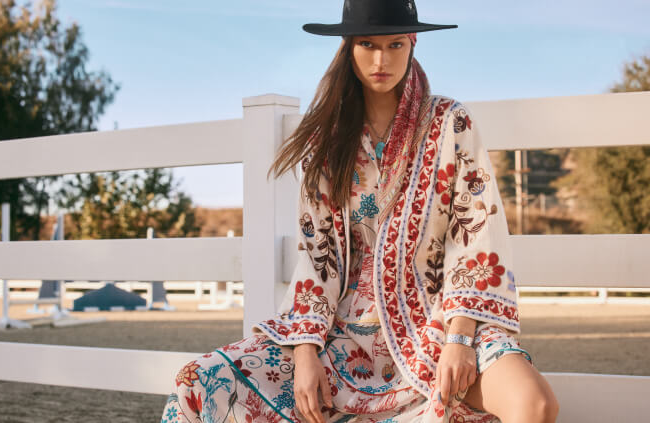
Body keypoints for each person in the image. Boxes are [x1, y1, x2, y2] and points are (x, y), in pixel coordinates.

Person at [160, 1, 559, 422]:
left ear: (413, 44)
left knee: (534, 402)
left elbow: (476, 238)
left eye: (395, 44)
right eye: (367, 44)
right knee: (197, 380)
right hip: (344, 338)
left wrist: (459, 339)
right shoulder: (329, 142)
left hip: (446, 324)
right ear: (349, 48)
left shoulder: (449, 123)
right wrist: (306, 353)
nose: (381, 59)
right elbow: (317, 260)